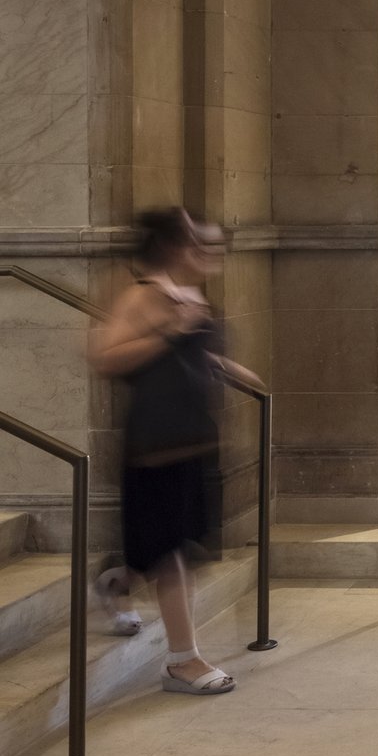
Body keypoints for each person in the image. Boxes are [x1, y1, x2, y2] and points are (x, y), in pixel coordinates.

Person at [88, 207, 263, 695]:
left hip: (193, 439)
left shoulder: (189, 296)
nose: (209, 252)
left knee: (174, 545)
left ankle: (117, 582)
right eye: (198, 243)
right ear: (171, 246)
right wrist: (168, 330)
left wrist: (225, 366)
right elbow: (104, 356)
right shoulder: (144, 295)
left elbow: (186, 354)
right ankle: (182, 661)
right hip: (155, 444)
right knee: (171, 557)